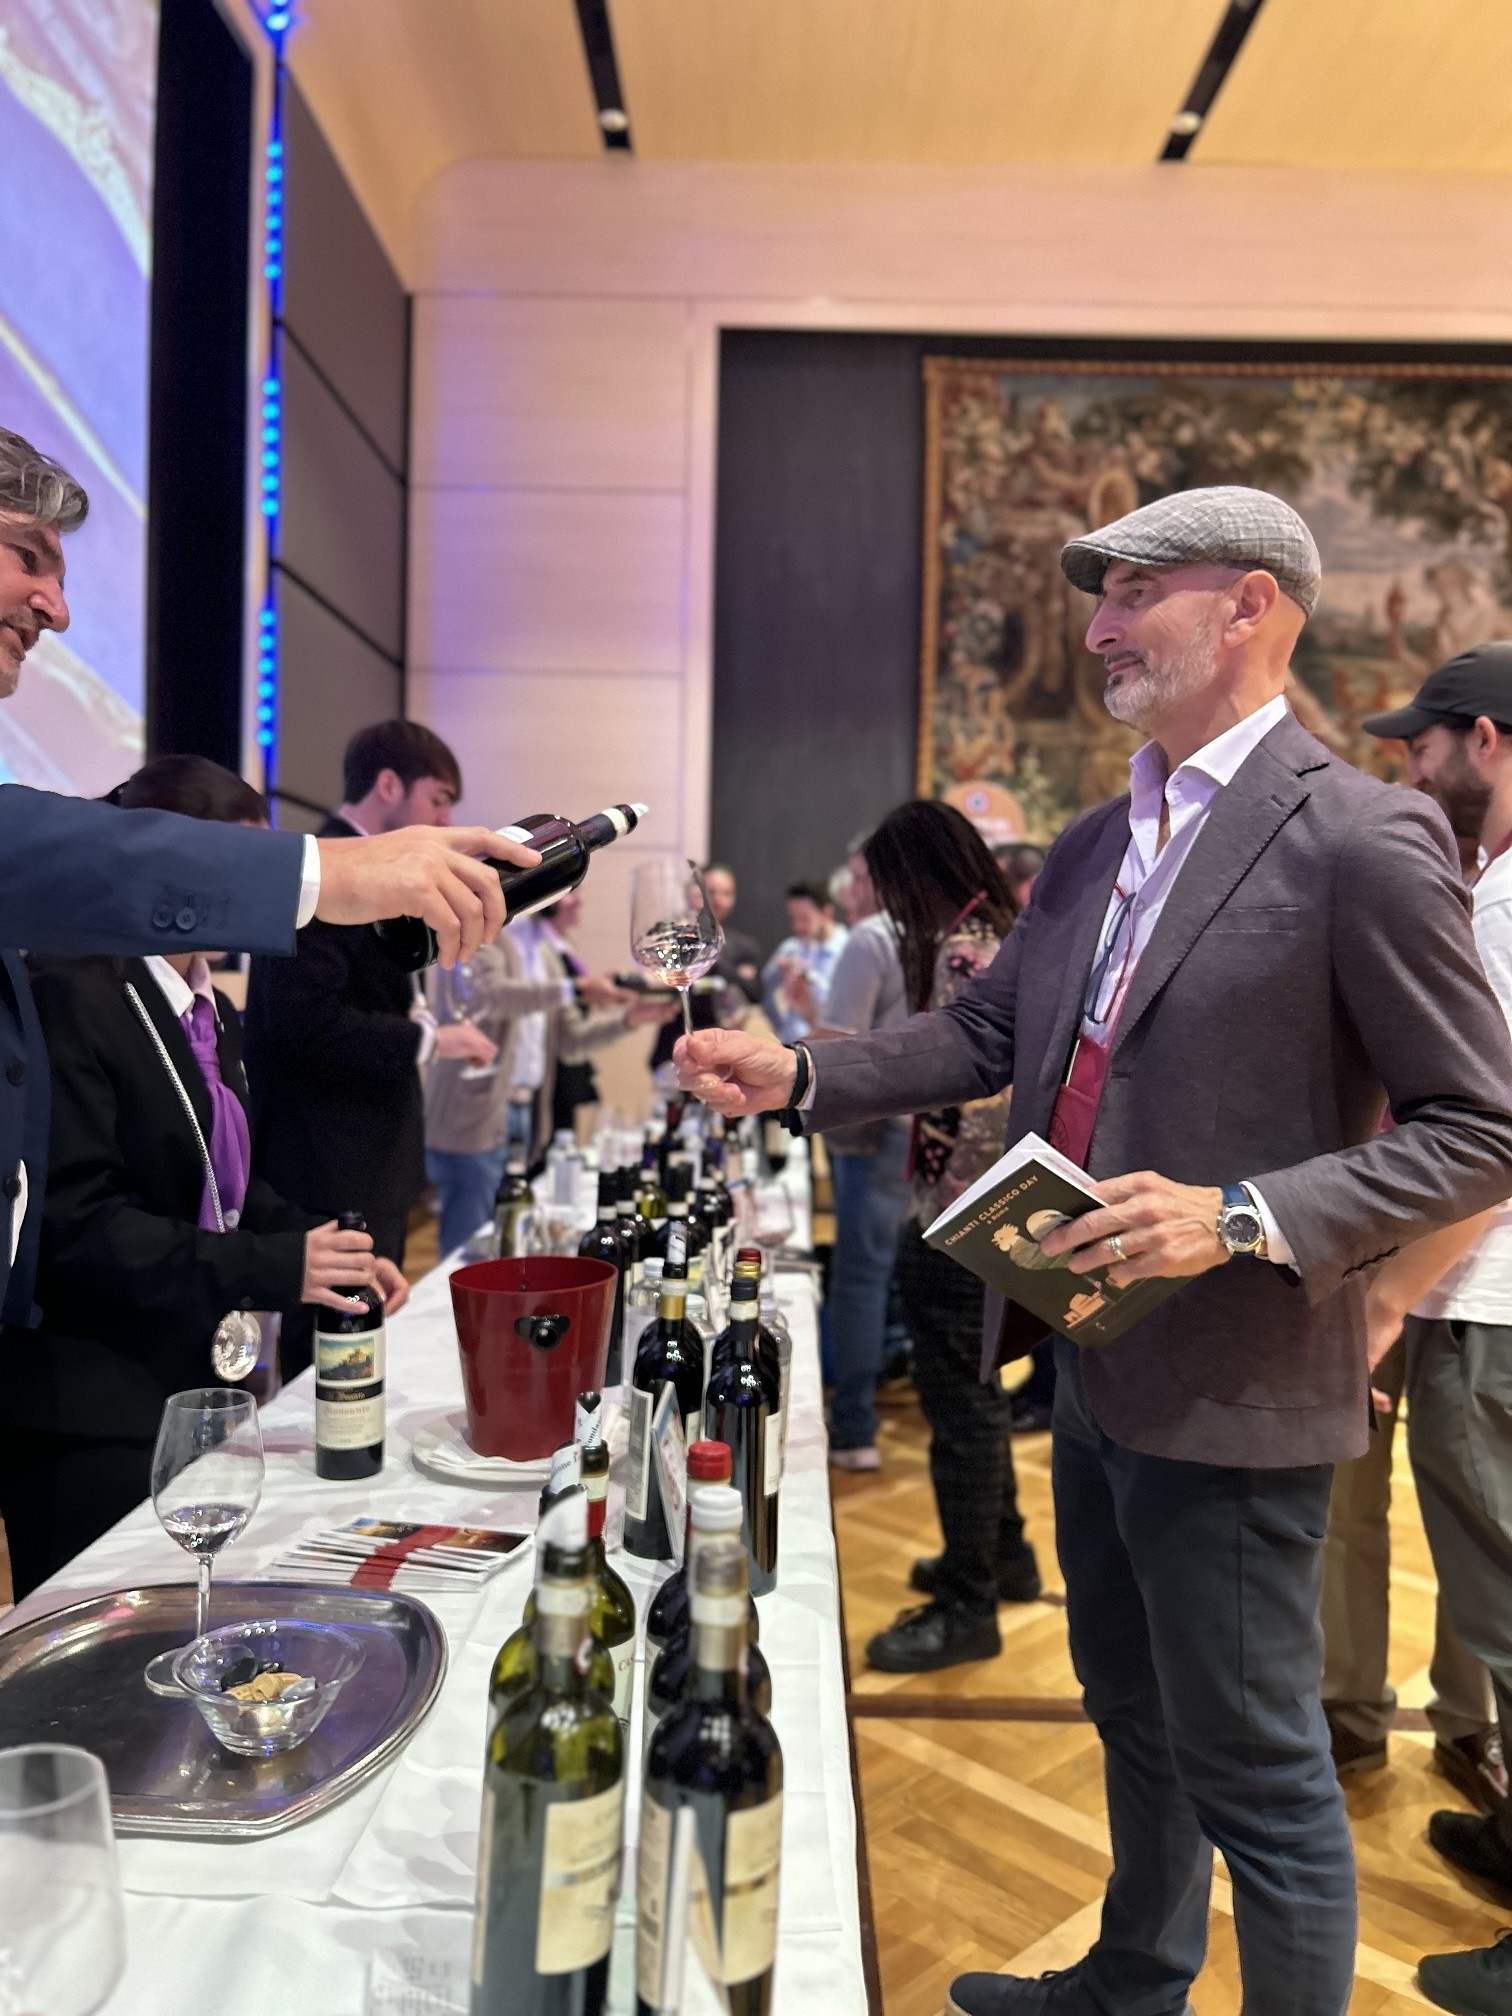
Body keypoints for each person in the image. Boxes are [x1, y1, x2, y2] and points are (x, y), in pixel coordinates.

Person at [676, 486, 1512, 2016]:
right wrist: (802, 1073)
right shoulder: (1096, 839)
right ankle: (1134, 1978)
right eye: (1097, 591)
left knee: (1260, 1769)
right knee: (1128, 1704)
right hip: (1091, 1356)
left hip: (1240, 1377)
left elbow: (1481, 1125)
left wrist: (1241, 1214)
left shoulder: (1361, 833)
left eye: (1136, 588)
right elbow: (992, 1030)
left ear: (1252, 604)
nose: (1099, 621)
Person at [0, 427, 534, 1334]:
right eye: (27, 556)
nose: (58, 611)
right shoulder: (90, 986)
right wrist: (333, 869)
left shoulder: (208, 1011)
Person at [0, 756, 410, 1596]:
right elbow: (78, 1222)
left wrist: (321, 1246)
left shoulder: (208, 1005)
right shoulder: (71, 990)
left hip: (192, 1380)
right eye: (233, 866)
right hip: (89, 1405)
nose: (246, 893)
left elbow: (224, 1184)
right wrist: (274, 1269)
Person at [1355, 646, 1512, 2011]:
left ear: (1489, 741)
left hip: (1492, 1304)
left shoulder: (1507, 903)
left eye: (1425, 746)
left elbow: (1488, 1142)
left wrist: (1391, 1297)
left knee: (1509, 1617)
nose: (1410, 768)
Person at [244, 721, 499, 1371]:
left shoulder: (374, 871)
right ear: (389, 786)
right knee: (327, 1352)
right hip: (328, 1159)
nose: (445, 820)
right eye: (438, 800)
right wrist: (430, 1038)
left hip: (367, 1154)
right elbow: (305, 1020)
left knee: (361, 1341)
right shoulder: (323, 867)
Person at [856, 800, 1041, 1672]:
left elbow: (972, 1093)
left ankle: (969, 1603)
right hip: (988, 1206)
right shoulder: (998, 930)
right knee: (977, 1393)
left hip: (963, 1212)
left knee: (960, 1406)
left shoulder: (967, 949)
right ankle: (1002, 1556)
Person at [423, 909, 669, 1253]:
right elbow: (490, 997)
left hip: (526, 1112)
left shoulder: (545, 954)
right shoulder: (479, 930)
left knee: (512, 1238)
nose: (576, 899)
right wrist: (576, 987)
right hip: (472, 1112)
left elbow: (571, 1043)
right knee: (469, 1244)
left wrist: (628, 1020)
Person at [812, 832, 913, 1471]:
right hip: (934, 1132)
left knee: (860, 1275)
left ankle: (853, 1427)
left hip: (876, 1129)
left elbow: (837, 1050)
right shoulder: (934, 931)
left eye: (853, 877)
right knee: (900, 1273)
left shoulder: (872, 937)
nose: (847, 891)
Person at [648, 861, 762, 1076]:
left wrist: (714, 957)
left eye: (726, 893)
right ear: (694, 893)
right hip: (674, 1048)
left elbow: (754, 993)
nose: (718, 899)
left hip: (723, 1049)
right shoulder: (674, 938)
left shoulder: (744, 946)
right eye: (711, 891)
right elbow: (660, 986)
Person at [762, 880, 848, 1042]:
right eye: (793, 918)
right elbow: (765, 990)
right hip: (790, 1046)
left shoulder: (847, 950)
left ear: (827, 913)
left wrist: (808, 976)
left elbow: (841, 1008)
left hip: (829, 1049)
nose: (797, 927)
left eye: (804, 919)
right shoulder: (790, 947)